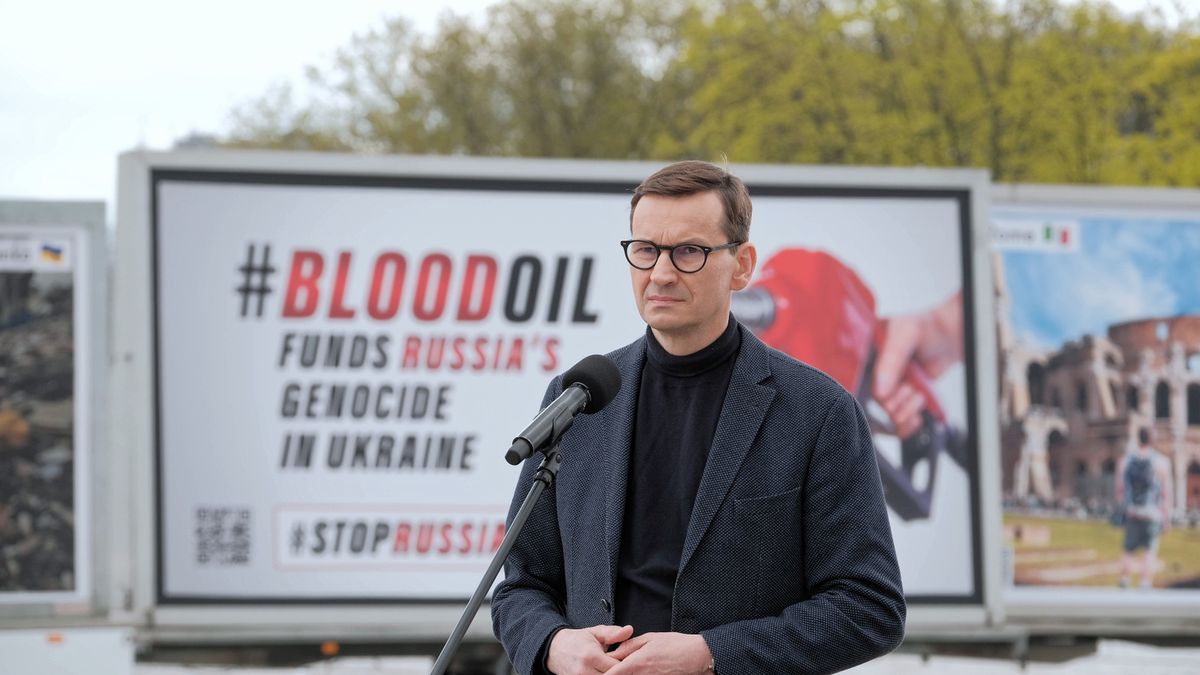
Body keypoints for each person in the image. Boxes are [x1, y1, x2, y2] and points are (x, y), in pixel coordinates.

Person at [491, 160, 906, 674]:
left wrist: (713, 655)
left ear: (743, 264)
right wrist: (553, 643)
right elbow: (523, 585)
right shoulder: (579, 399)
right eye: (645, 250)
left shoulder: (818, 411)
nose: (661, 273)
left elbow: (869, 609)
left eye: (689, 251)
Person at [1115, 426, 1172, 589]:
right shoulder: (1162, 462)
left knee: (1128, 549)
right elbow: (1165, 494)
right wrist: (1166, 519)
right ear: (1153, 440)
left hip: (1132, 511)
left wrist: (1124, 509)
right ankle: (1145, 584)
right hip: (1152, 514)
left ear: (1139, 438)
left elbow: (1119, 491)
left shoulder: (1125, 461)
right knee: (1149, 551)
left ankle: (1124, 582)